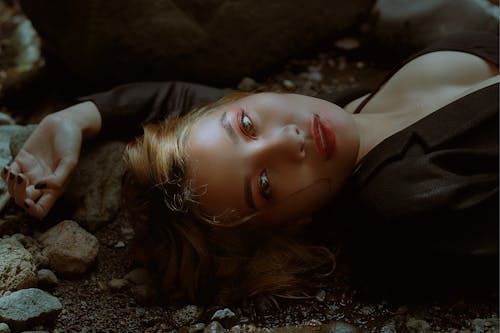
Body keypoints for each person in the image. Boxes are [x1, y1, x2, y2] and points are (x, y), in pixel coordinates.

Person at [2, 31, 498, 304]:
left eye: (245, 123)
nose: (288, 139)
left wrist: (75, 116)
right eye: (263, 185)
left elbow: (175, 98)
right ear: (290, 224)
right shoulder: (403, 200)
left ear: (247, 98)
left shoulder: (341, 115)